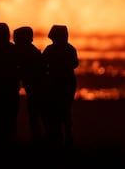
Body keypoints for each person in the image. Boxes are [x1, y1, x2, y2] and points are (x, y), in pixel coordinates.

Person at [42, 24, 79, 154]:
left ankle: (58, 141)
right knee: (65, 111)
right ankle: (67, 139)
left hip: (56, 83)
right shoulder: (70, 49)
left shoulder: (50, 50)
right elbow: (75, 63)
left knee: (56, 112)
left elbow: (42, 64)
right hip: (67, 83)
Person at [13, 26, 46, 145]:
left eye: (17, 40)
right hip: (34, 89)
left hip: (37, 89)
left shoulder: (29, 53)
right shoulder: (29, 51)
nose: (15, 43)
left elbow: (25, 71)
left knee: (37, 115)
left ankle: (39, 141)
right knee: (37, 116)